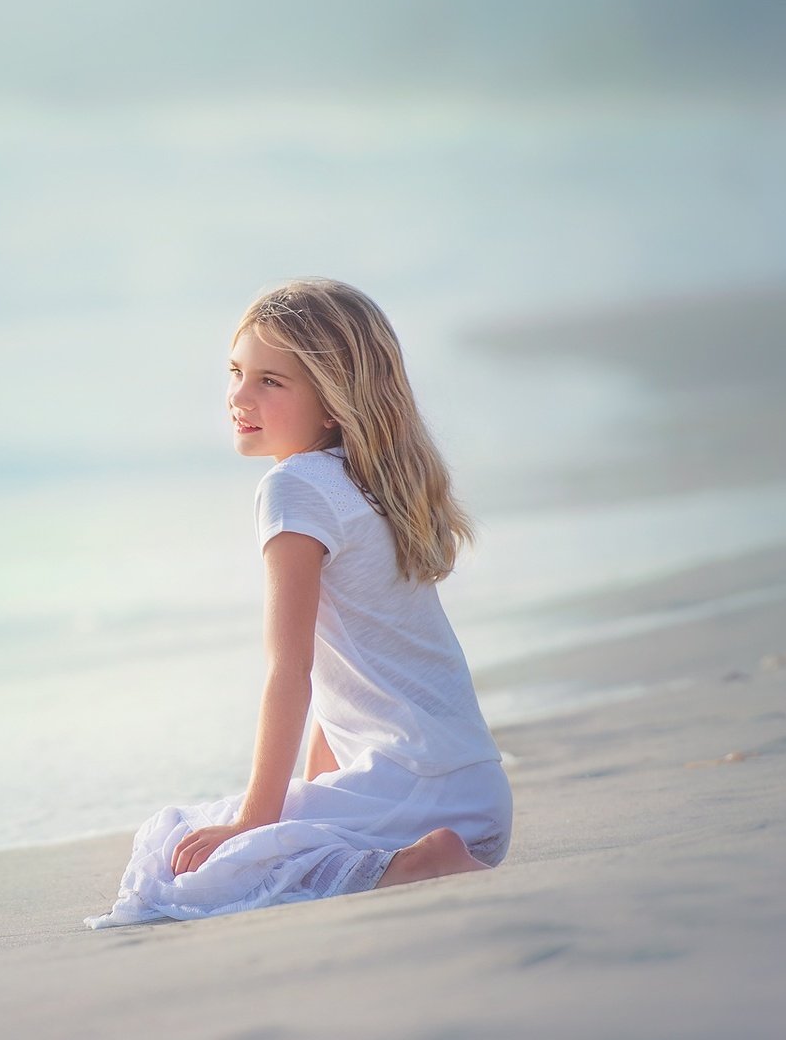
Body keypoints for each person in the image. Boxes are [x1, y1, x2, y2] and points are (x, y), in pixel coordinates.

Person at [85, 278, 512, 929]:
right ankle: (414, 852)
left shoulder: (295, 488)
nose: (239, 396)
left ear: (333, 400)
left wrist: (256, 821)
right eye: (236, 372)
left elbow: (291, 672)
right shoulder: (368, 482)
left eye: (270, 382)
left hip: (416, 792)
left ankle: (416, 864)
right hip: (476, 794)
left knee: (184, 867)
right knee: (212, 841)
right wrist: (301, 799)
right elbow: (343, 677)